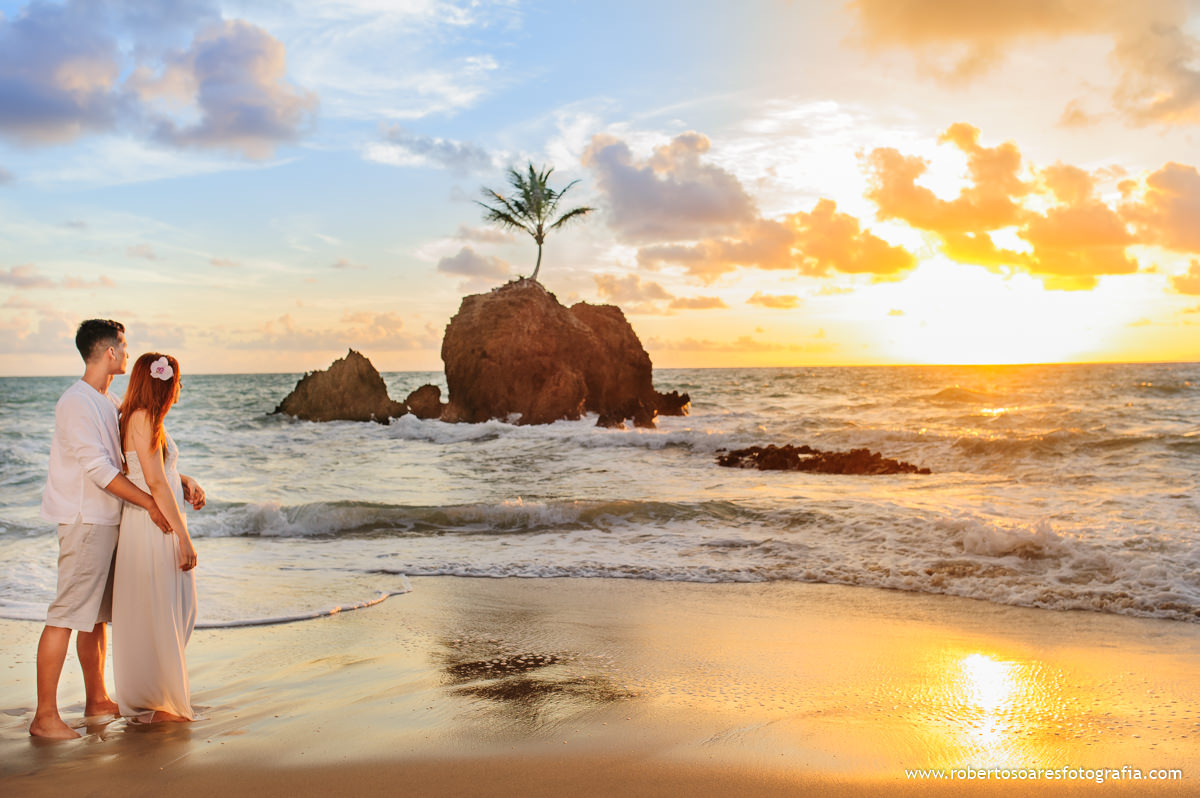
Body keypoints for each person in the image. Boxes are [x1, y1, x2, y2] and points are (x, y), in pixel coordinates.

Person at [32, 320, 173, 739]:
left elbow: (133, 460)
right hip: (85, 522)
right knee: (66, 615)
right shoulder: (76, 402)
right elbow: (98, 469)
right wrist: (149, 502)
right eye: (124, 347)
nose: (128, 354)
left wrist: (180, 482)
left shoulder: (108, 401)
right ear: (110, 352)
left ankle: (97, 699)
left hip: (110, 521)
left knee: (95, 619)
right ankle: (44, 717)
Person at [112, 352, 203, 723]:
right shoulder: (144, 418)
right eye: (177, 380)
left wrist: (185, 480)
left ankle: (157, 690)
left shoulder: (140, 418)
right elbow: (151, 481)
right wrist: (184, 536)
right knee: (165, 608)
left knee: (170, 607)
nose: (180, 387)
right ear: (163, 384)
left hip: (152, 522)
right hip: (157, 526)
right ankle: (156, 695)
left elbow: (158, 471)